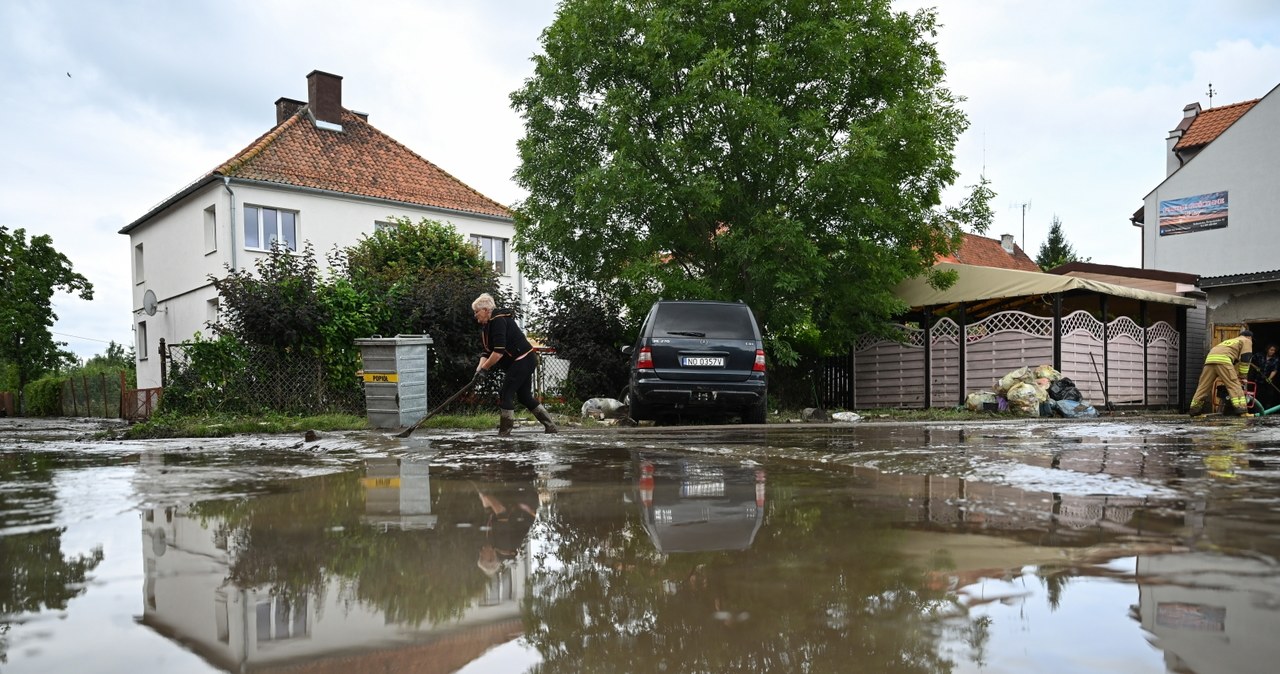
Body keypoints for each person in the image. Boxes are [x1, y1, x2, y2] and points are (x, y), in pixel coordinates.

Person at [471, 292, 558, 435]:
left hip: (523, 359)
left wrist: (485, 369)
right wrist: (479, 370)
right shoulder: (487, 326)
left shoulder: (498, 321)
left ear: (486, 310)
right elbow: (487, 352)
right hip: (522, 361)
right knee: (524, 397)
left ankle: (505, 433)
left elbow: (498, 352)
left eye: (476, 312)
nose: (475, 315)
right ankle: (551, 427)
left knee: (505, 394)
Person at [1189, 329, 1253, 417]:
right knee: (1234, 384)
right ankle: (1242, 411)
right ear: (1249, 337)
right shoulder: (1246, 341)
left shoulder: (1229, 341)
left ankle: (1195, 411)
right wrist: (1243, 376)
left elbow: (1229, 355)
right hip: (1223, 360)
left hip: (1210, 360)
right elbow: (1246, 358)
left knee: (1203, 386)